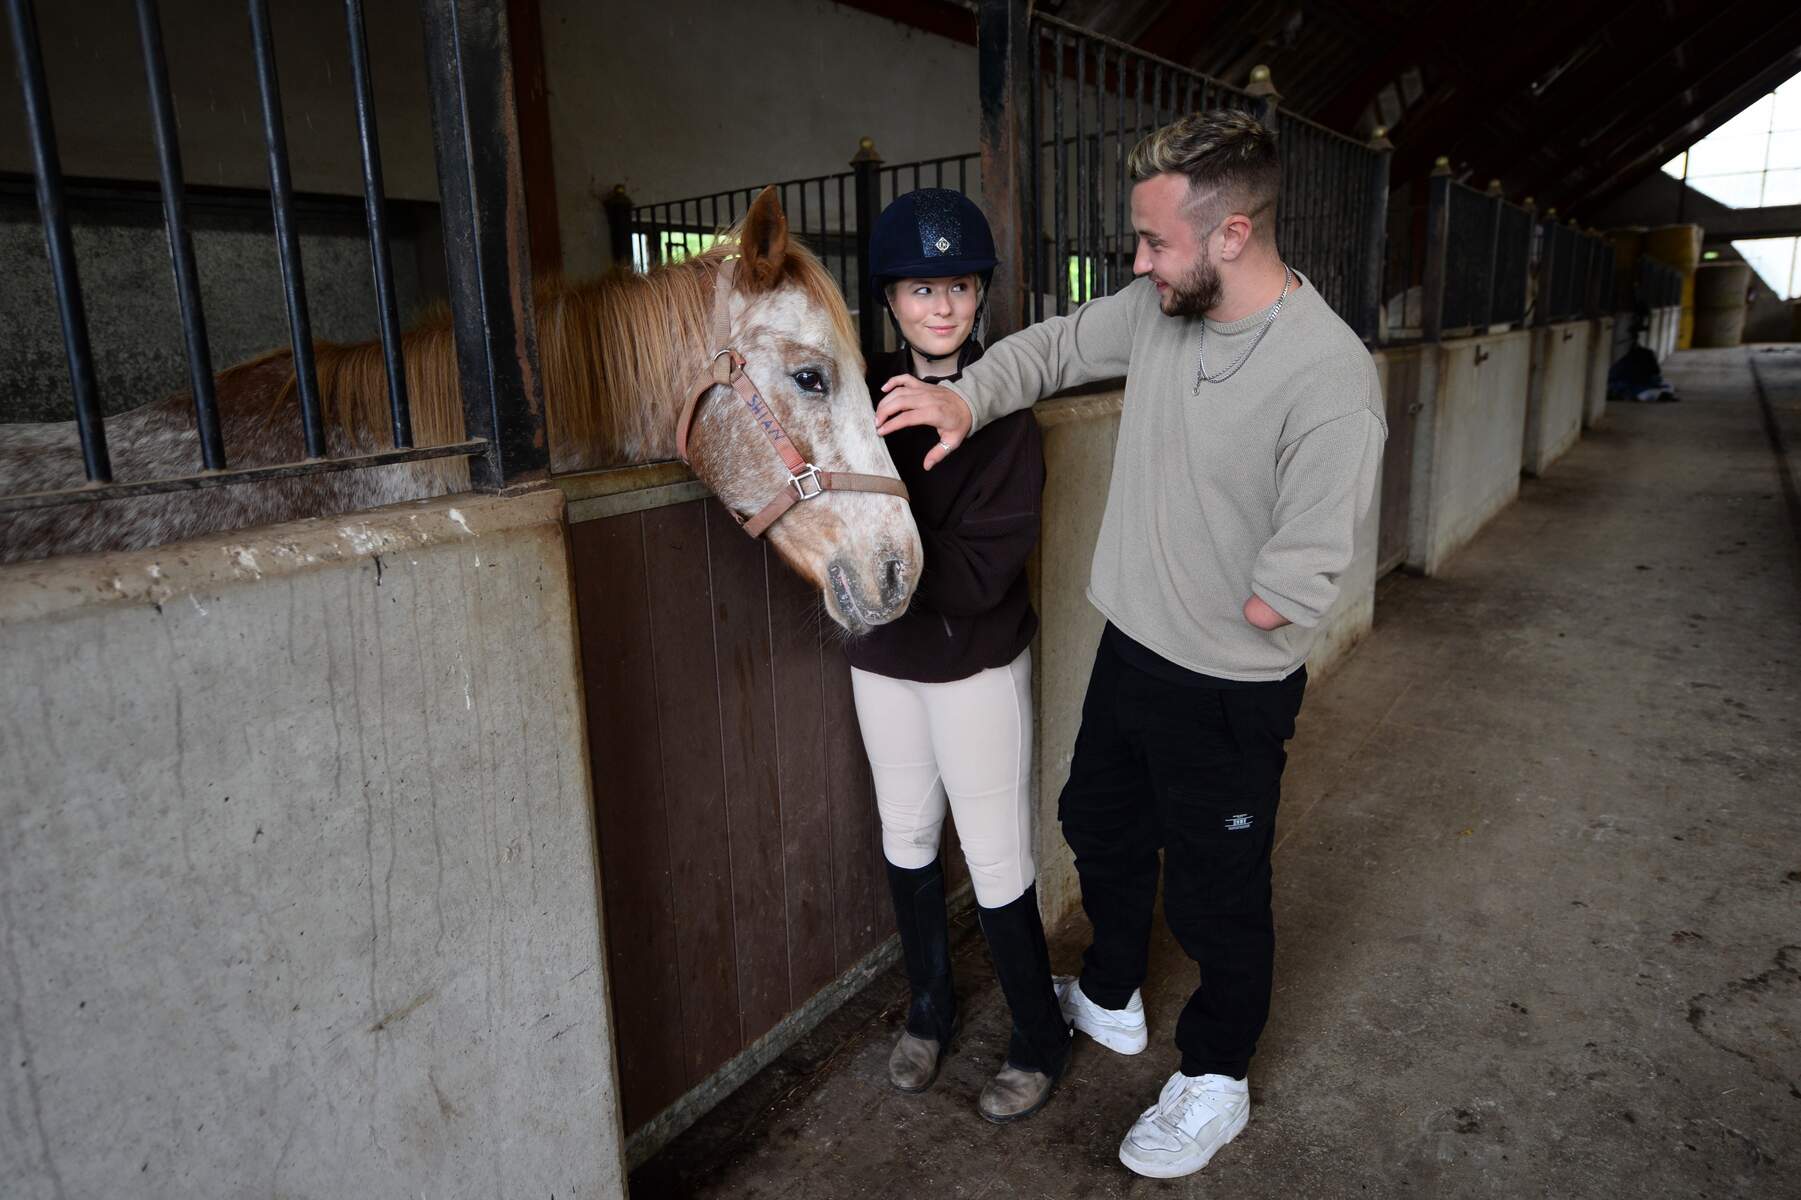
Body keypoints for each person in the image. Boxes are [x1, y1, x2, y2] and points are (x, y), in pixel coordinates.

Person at [874, 112, 1385, 1178]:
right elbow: (1057, 346)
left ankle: (1217, 1074)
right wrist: (966, 396)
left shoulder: (1327, 372)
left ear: (1233, 235)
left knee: (1217, 891)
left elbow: (1308, 563)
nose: (1138, 262)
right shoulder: (1160, 310)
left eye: (1154, 242)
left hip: (1228, 683)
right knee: (1095, 821)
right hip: (1133, 648)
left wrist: (1239, 607)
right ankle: (1109, 997)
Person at [845, 187, 1070, 1123]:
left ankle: (1035, 1035)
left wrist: (880, 569)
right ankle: (929, 1010)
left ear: (981, 300)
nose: (941, 307)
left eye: (961, 288)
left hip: (973, 662)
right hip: (880, 661)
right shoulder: (854, 402)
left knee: (993, 851)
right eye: (920, 288)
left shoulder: (1007, 413)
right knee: (903, 835)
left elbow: (984, 569)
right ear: (891, 301)